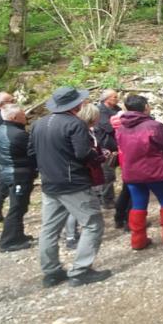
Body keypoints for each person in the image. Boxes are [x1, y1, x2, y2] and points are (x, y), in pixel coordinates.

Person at [29, 86, 111, 288]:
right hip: (73, 183)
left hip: (49, 183)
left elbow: (31, 152)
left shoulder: (39, 123)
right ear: (76, 104)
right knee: (92, 223)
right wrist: (100, 156)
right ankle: (80, 270)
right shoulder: (75, 124)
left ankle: (51, 272)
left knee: (49, 228)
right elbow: (82, 153)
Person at [116, 94, 163, 250]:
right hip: (155, 171)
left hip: (131, 173)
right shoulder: (154, 126)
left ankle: (138, 240)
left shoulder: (121, 128)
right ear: (146, 107)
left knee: (138, 205)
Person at [65, 104, 107, 250]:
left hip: (88, 171)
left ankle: (74, 233)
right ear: (92, 116)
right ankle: (71, 236)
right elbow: (84, 153)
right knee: (77, 207)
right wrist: (100, 157)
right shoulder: (81, 131)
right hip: (84, 172)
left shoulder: (88, 130)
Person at [0, 104, 36, 252]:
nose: (25, 117)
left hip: (8, 171)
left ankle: (18, 235)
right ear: (13, 117)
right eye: (22, 115)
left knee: (20, 206)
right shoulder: (19, 135)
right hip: (18, 174)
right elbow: (32, 153)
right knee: (17, 207)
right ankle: (8, 242)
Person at [93, 89, 120, 209]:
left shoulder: (117, 109)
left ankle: (103, 197)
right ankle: (107, 200)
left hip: (117, 145)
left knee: (109, 172)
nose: (117, 98)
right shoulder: (100, 110)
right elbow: (108, 127)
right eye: (114, 97)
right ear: (107, 98)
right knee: (108, 174)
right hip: (105, 146)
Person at [0, 91, 15, 229]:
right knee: (1, 185)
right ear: (2, 104)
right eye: (11, 101)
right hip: (2, 156)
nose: (14, 103)